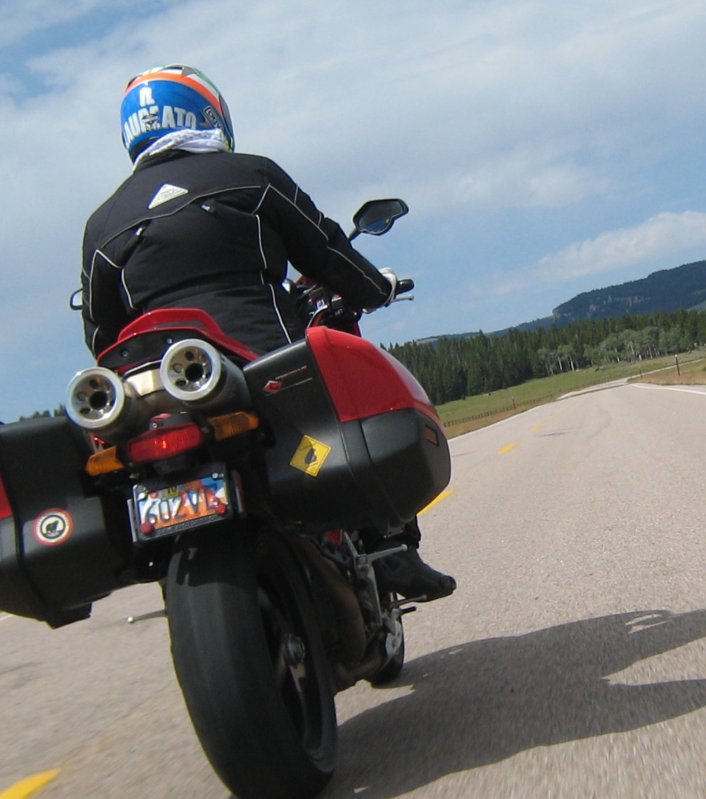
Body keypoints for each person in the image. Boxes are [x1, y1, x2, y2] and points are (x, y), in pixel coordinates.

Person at [80, 64, 454, 601]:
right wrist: (373, 289)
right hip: (263, 362)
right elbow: (326, 251)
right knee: (335, 428)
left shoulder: (102, 224)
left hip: (160, 393)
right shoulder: (250, 176)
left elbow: (100, 335)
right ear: (209, 113)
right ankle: (387, 547)